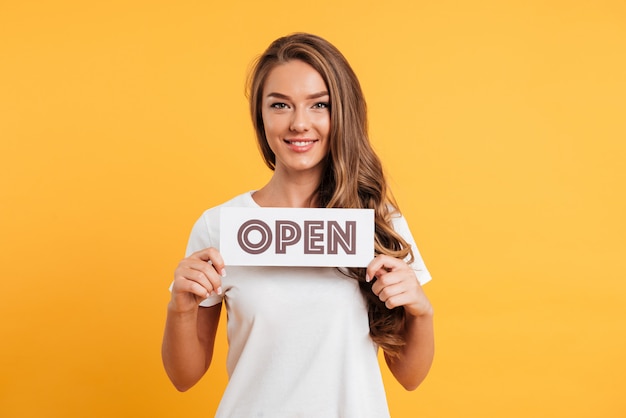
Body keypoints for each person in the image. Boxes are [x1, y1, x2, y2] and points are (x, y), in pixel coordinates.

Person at [162, 32, 434, 417]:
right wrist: (181, 306)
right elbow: (183, 376)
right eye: (280, 105)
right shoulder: (220, 225)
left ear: (341, 113)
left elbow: (410, 376)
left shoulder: (376, 221)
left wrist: (420, 310)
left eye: (318, 105)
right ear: (261, 115)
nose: (299, 123)